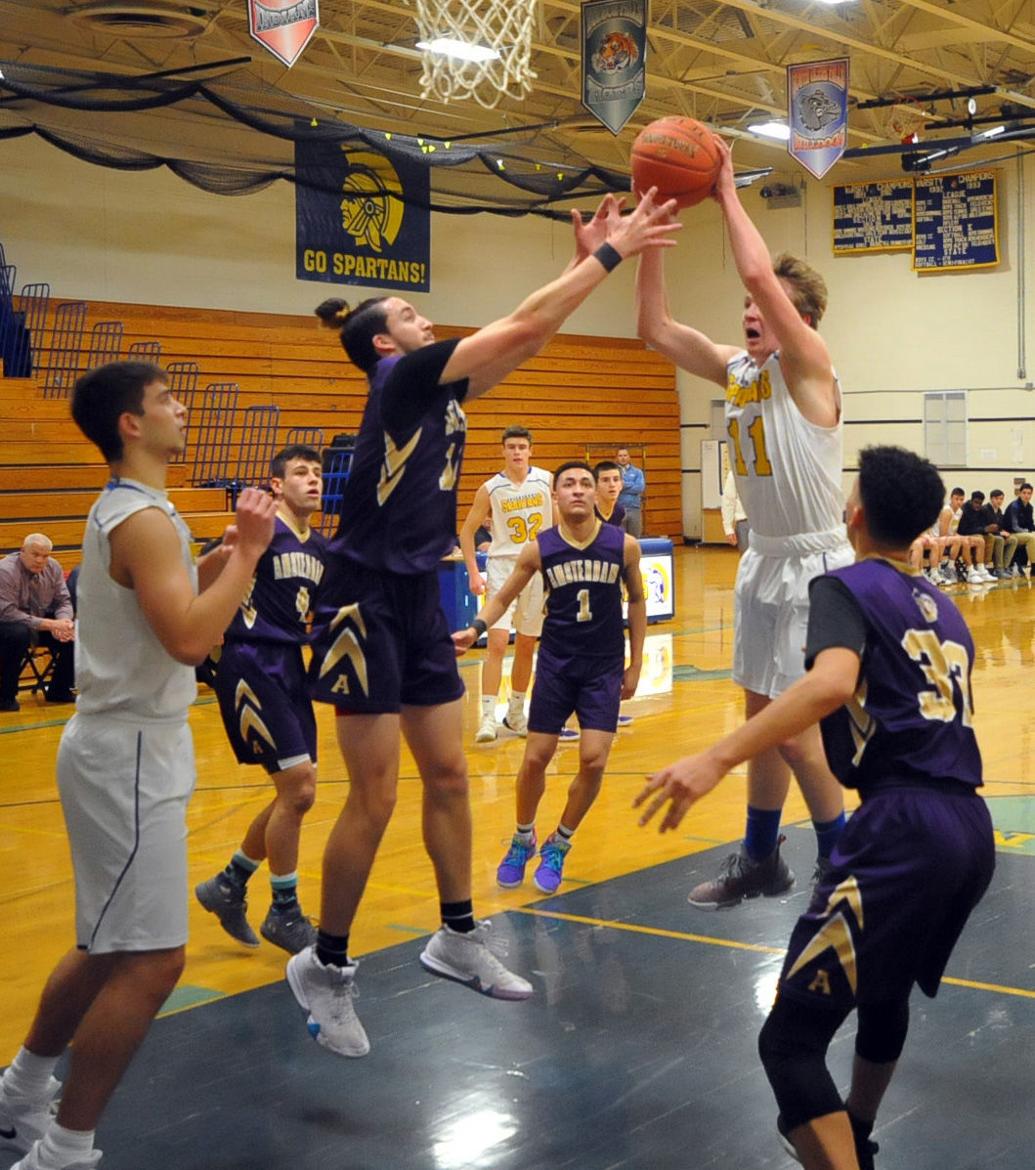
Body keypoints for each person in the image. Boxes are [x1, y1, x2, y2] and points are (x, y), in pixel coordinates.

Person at [285, 189, 681, 1060]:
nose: (424, 319)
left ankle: (456, 935)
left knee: (453, 778)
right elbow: (518, 321)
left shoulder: (446, 388)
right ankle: (327, 964)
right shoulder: (401, 376)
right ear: (385, 340)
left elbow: (531, 334)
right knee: (378, 794)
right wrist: (608, 254)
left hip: (418, 596)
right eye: (410, 312)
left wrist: (584, 262)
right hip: (360, 597)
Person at [636, 445, 994, 1170]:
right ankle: (855, 1135)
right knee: (883, 993)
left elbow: (831, 685)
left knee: (788, 1042)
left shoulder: (845, 586)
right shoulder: (945, 607)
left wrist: (717, 756)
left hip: (902, 829)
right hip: (968, 830)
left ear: (852, 514)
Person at [0, 361, 276, 1170]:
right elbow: (191, 642)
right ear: (130, 422)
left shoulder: (143, 511)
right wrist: (253, 555)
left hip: (131, 744)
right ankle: (65, 1152)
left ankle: (18, 1096)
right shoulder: (144, 520)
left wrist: (224, 562)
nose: (181, 407)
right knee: (155, 960)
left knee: (105, 945)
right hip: (127, 751)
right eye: (165, 399)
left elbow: (189, 616)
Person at [636, 135, 850, 909]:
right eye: (745, 310)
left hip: (815, 566)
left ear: (799, 319)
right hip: (762, 559)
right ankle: (762, 857)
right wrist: (651, 233)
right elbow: (655, 330)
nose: (749, 312)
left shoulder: (810, 365)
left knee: (793, 732)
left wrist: (725, 191)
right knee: (761, 716)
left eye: (762, 308)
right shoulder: (737, 369)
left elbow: (758, 268)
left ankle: (842, 862)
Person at [454, 461, 644, 895]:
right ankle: (523, 837)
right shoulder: (539, 549)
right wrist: (476, 628)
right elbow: (503, 597)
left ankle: (559, 842)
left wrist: (635, 665)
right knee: (536, 757)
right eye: (568, 485)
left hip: (603, 666)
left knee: (594, 759)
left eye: (585, 484)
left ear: (596, 493)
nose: (577, 490)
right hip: (557, 664)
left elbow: (635, 602)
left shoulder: (624, 546)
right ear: (554, 496)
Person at [195, 445, 327, 955]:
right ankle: (284, 910)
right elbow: (202, 580)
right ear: (276, 485)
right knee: (298, 788)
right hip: (251, 660)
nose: (312, 480)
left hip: (292, 666)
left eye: (317, 473)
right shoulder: (258, 531)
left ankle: (228, 884)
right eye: (300, 473)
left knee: (295, 793)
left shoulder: (321, 548)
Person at [458, 426, 552, 744]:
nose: (516, 452)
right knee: (496, 643)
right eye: (511, 446)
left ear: (530, 451)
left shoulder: (546, 481)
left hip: (538, 569)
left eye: (522, 446)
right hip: (502, 569)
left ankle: (514, 714)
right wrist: (474, 572)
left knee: (527, 644)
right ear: (502, 450)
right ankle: (486, 717)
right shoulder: (491, 489)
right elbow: (467, 532)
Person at [0, 534, 76, 710]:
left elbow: (63, 600)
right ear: (22, 551)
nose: (40, 560)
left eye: (45, 556)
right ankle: (5, 695)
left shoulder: (53, 567)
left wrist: (63, 622)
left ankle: (60, 689)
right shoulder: (5, 571)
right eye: (35, 554)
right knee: (17, 633)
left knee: (75, 633)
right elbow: (7, 613)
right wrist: (50, 625)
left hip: (37, 620)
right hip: (7, 624)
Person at [1002, 482, 1035, 570]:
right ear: (1020, 493)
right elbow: (1014, 527)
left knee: (1033, 536)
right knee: (1032, 537)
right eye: (1024, 493)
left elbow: (1030, 525)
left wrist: (1031, 530)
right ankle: (1034, 566)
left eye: (1029, 493)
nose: (1026, 495)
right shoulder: (1014, 506)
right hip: (1010, 533)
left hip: (1021, 533)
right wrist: (1028, 531)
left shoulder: (1030, 507)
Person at [987, 489, 1020, 576]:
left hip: (996, 534)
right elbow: (987, 527)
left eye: (1001, 499)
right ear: (991, 499)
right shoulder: (985, 509)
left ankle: (1005, 567)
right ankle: (999, 569)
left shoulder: (999, 511)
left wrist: (1003, 531)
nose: (999, 501)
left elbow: (1000, 526)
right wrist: (999, 533)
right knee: (1000, 539)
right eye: (997, 499)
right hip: (988, 536)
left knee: (1013, 540)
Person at [615, 447, 645, 536]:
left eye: (625, 455)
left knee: (635, 538)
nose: (623, 458)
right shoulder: (613, 472)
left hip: (634, 509)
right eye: (620, 456)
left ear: (629, 457)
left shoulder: (637, 472)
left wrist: (624, 484)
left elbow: (640, 488)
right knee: (619, 538)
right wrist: (632, 484)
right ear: (616, 458)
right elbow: (615, 487)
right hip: (618, 509)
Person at [720, 468, 748, 551]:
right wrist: (728, 528)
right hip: (744, 522)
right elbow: (728, 501)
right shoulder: (735, 473)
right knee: (747, 561)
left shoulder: (771, 472)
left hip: (766, 524)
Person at [593, 460, 626, 528]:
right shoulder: (586, 512)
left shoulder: (619, 511)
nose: (612, 484)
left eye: (616, 479)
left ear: (621, 485)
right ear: (595, 485)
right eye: (605, 480)